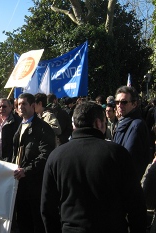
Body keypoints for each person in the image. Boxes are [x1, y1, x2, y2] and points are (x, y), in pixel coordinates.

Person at [41, 101, 146, 233]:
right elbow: (136, 204)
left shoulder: (56, 156)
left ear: (74, 124)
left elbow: (47, 207)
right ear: (99, 123)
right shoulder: (117, 153)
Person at [12, 93, 55, 233]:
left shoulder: (43, 128)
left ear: (33, 106)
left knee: (36, 223)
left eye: (24, 104)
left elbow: (46, 155)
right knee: (23, 221)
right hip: (20, 183)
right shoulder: (20, 126)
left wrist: (27, 170)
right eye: (19, 104)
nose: (20, 107)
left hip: (35, 184)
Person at [113, 86, 150, 180]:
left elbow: (129, 157)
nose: (119, 105)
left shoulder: (137, 125)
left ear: (134, 104)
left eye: (124, 102)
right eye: (117, 102)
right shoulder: (121, 122)